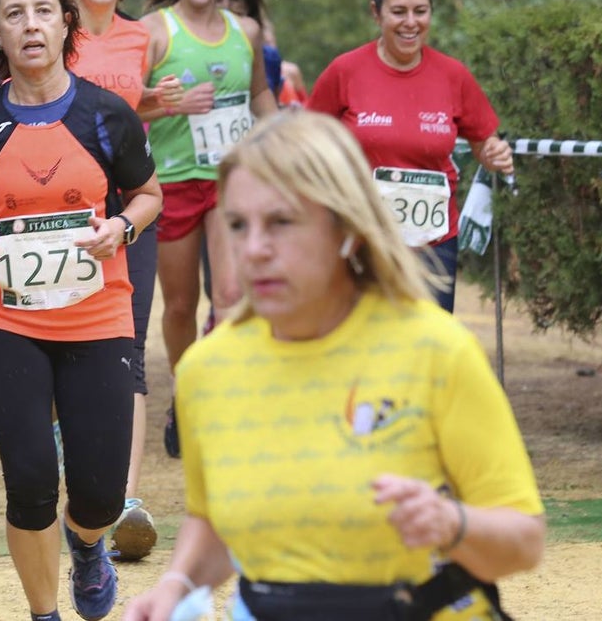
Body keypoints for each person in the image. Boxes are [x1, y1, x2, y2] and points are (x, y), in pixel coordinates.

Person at [122, 111, 545, 621]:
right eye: (237, 225)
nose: (253, 249)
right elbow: (213, 521)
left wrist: (452, 523)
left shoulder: (437, 350)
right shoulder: (206, 370)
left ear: (347, 228)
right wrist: (176, 586)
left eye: (282, 222)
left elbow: (525, 541)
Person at [0, 0, 162, 621]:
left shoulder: (107, 115)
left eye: (41, 12)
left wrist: (121, 226)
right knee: (30, 478)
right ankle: (44, 612)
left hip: (98, 314)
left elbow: (149, 195)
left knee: (99, 494)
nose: (30, 25)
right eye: (14, 14)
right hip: (7, 318)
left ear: (66, 24)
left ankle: (86, 545)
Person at [57, 0, 183, 562]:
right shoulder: (55, 33)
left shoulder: (141, 37)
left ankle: (125, 500)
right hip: (60, 213)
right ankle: (78, 483)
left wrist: (157, 102)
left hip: (131, 207)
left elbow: (123, 113)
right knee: (66, 352)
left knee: (127, 349)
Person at [141, 0, 278, 458]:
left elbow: (260, 94)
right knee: (179, 306)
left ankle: (225, 395)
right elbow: (127, 105)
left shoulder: (246, 30)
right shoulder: (155, 32)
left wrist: (282, 140)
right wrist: (171, 104)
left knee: (229, 295)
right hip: (173, 181)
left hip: (230, 182)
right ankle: (187, 392)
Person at [307, 0, 514, 313]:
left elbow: (485, 144)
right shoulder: (345, 71)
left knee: (427, 336)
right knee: (366, 334)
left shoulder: (453, 75)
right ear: (376, 13)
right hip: (362, 236)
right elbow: (306, 141)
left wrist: (495, 154)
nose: (411, 22)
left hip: (433, 241)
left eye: (420, 11)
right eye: (398, 12)